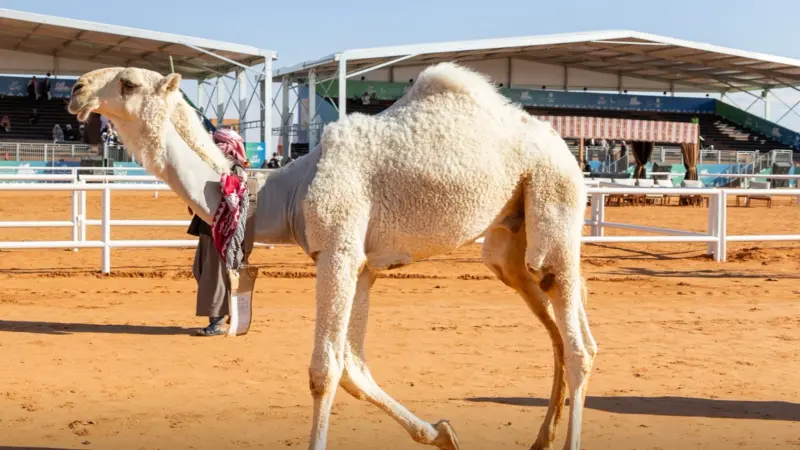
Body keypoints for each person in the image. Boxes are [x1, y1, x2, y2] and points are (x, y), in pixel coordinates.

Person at [189, 128, 249, 336]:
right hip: (208, 227)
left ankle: (217, 322)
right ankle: (228, 313)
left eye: (218, 142)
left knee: (214, 276)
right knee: (201, 270)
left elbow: (239, 199)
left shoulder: (234, 168)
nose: (215, 146)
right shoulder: (212, 166)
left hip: (224, 231)